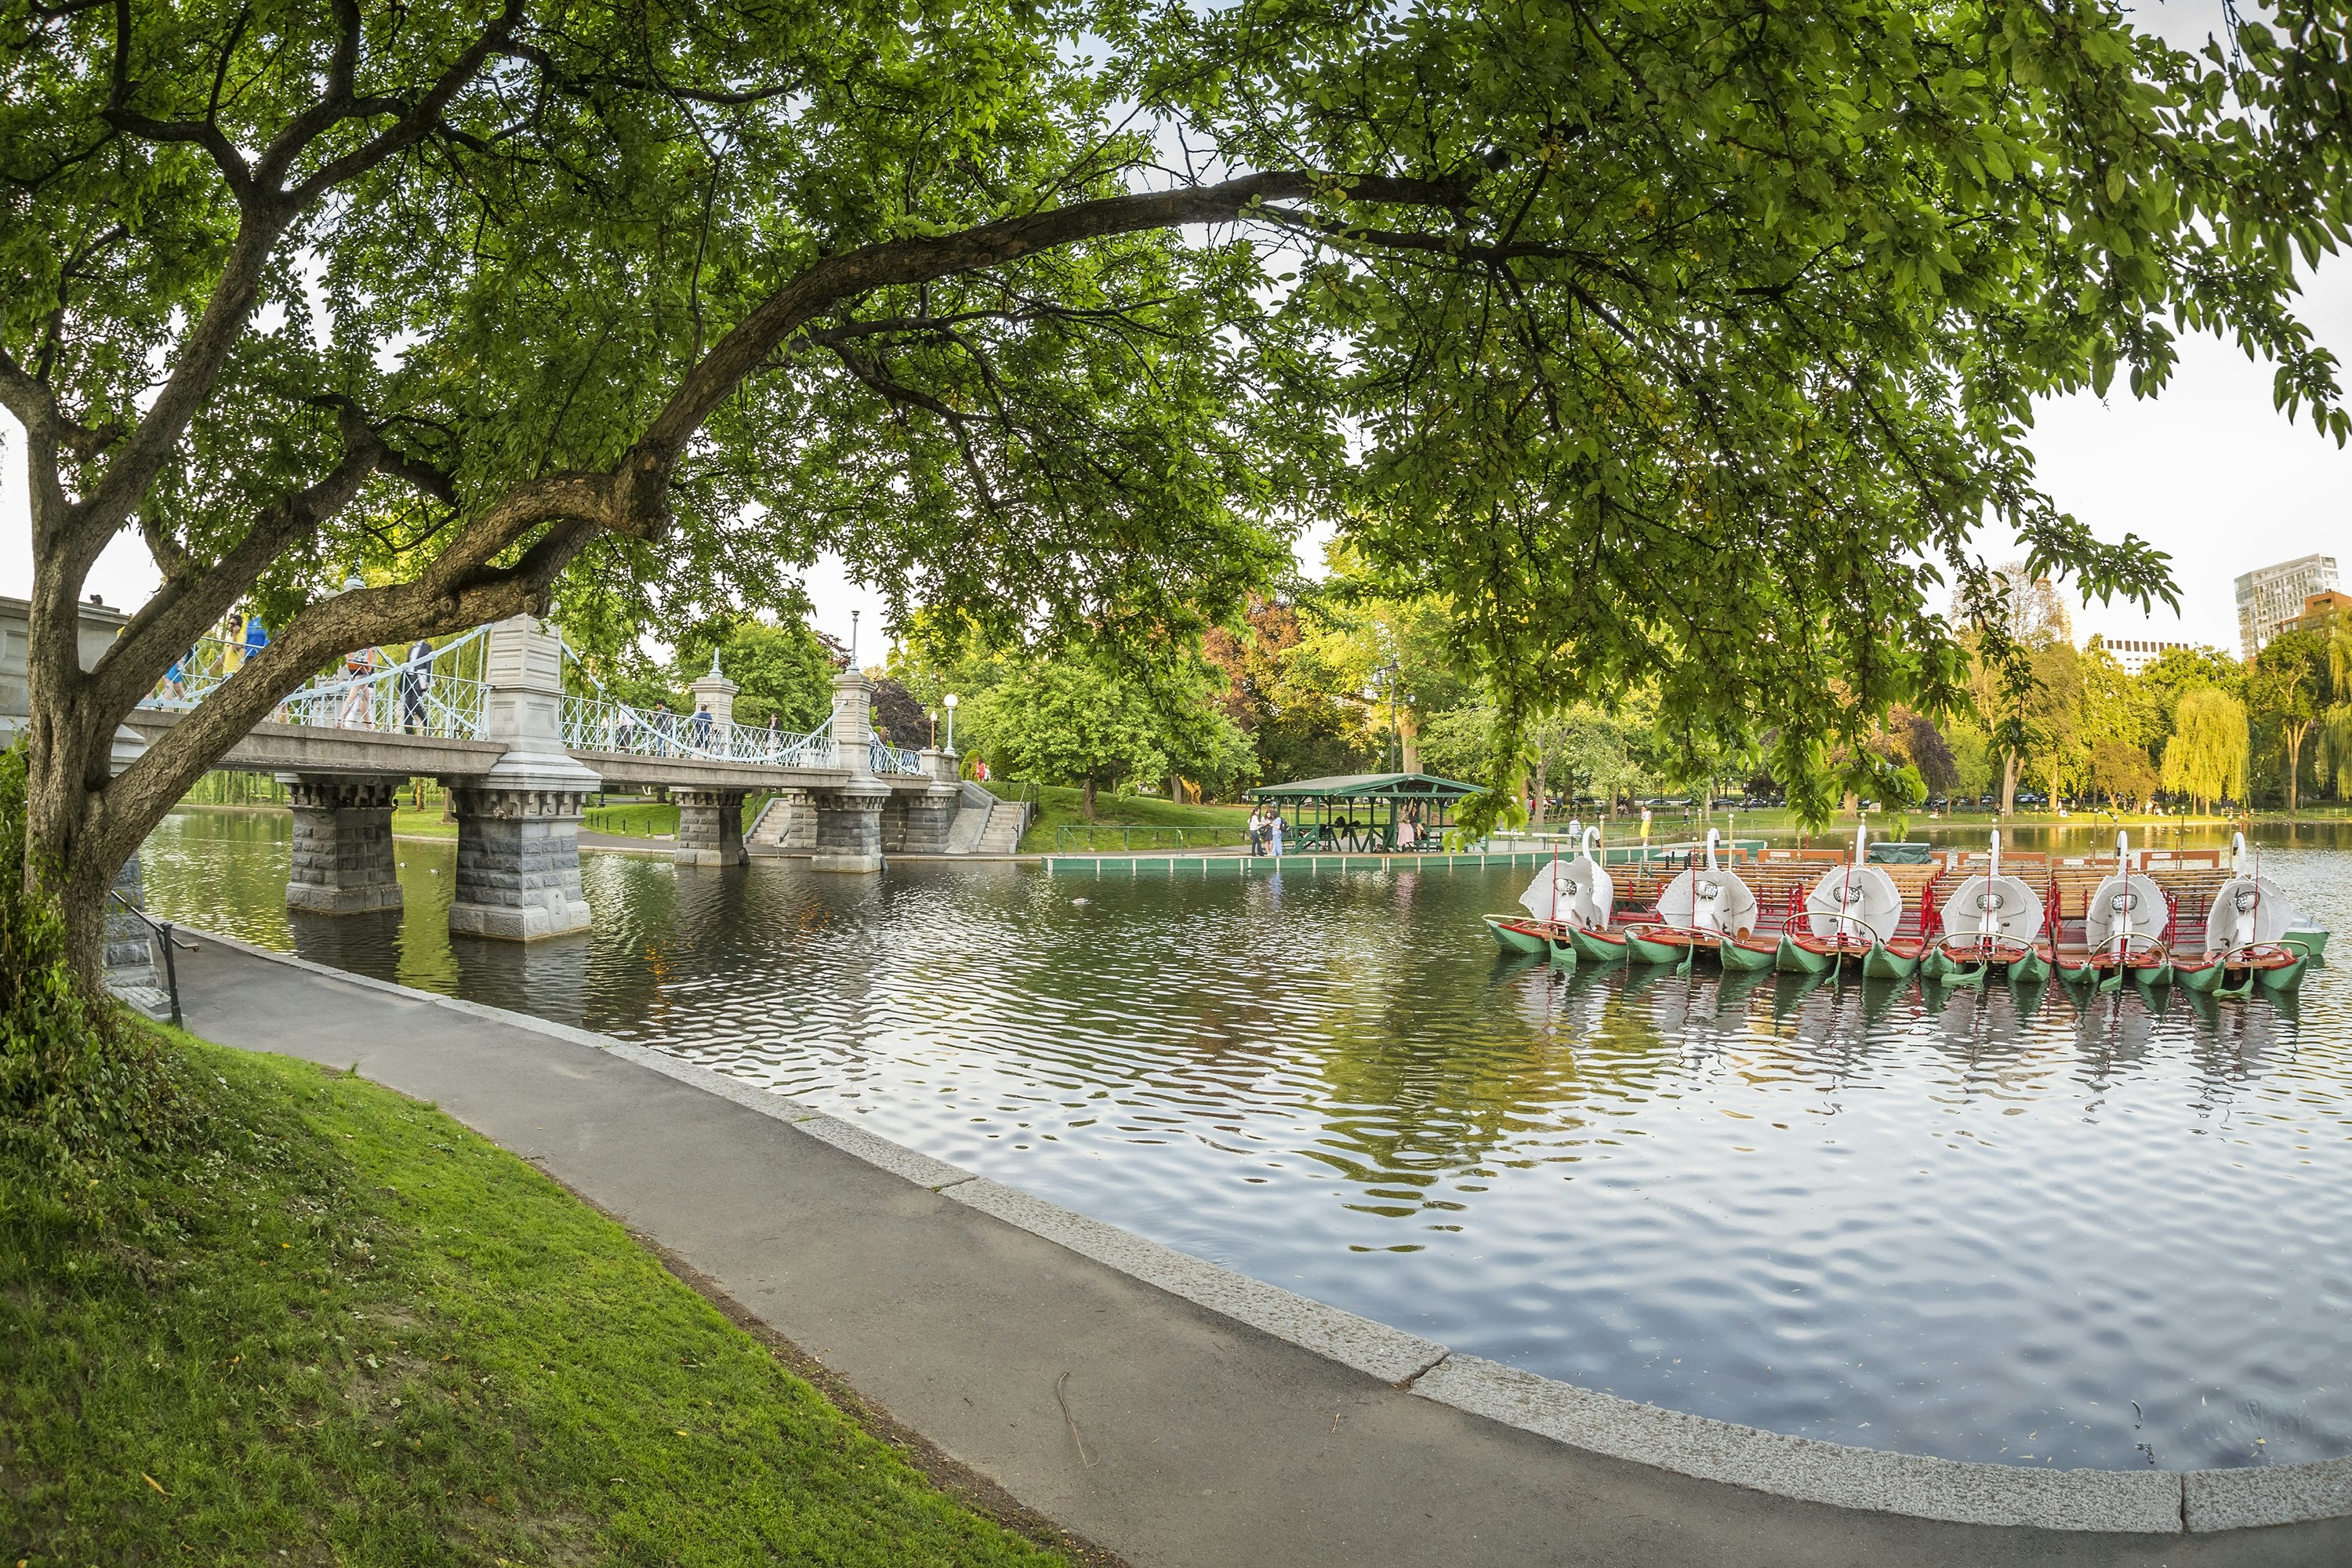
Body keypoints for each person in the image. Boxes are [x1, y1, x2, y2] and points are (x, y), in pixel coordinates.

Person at [400, 638, 430, 732]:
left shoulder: (426, 647)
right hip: (409, 679)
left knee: (416, 706)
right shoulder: (411, 648)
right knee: (407, 706)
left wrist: (428, 680)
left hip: (419, 679)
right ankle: (409, 732)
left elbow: (429, 663)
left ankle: (428, 726)